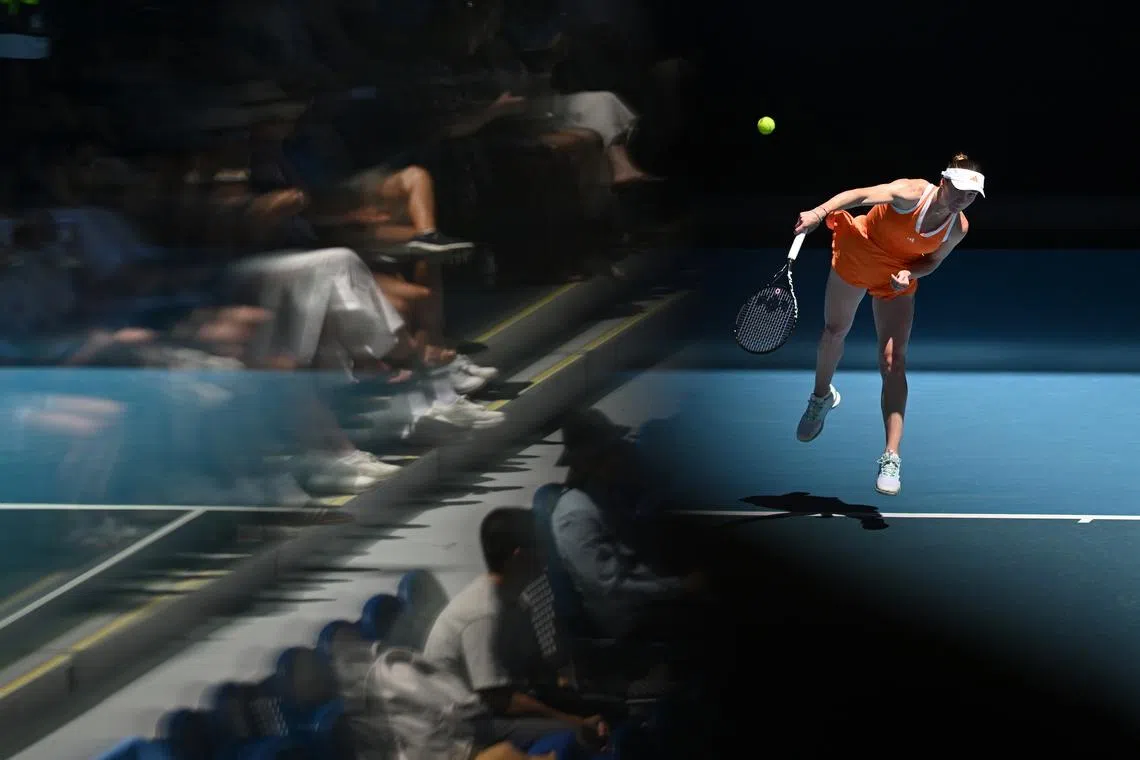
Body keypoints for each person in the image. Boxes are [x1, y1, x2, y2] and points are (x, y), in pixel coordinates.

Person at [791, 152, 984, 495]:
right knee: (833, 333)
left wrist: (911, 272)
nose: (963, 200)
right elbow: (859, 195)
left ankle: (891, 456)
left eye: (971, 195)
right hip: (858, 255)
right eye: (959, 191)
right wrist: (819, 214)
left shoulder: (958, 227)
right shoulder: (910, 193)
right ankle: (822, 397)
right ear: (943, 183)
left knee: (894, 361)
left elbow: (932, 261)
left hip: (896, 277)